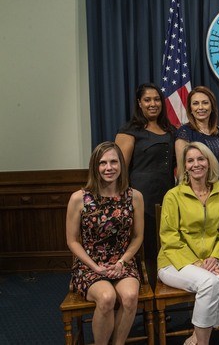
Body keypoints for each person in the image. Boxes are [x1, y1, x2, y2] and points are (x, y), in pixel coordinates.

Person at [158, 141, 219, 345]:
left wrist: (215, 257)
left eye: (200, 159)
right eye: (190, 160)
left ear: (209, 162)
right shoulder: (173, 196)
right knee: (209, 283)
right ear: (184, 166)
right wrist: (195, 262)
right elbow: (169, 236)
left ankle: (197, 336)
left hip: (211, 260)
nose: (196, 164)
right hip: (174, 261)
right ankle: (202, 343)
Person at [66, 142, 144, 345]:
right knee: (107, 297)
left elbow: (137, 237)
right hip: (89, 265)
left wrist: (122, 262)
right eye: (103, 163)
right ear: (95, 167)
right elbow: (72, 241)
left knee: (129, 296)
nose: (109, 167)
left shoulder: (134, 196)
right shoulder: (79, 198)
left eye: (113, 162)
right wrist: (95, 267)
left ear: (121, 165)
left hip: (122, 262)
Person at [115, 83, 175, 285]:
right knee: (146, 250)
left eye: (157, 99)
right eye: (147, 100)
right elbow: (117, 170)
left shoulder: (170, 130)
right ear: (139, 103)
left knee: (163, 248)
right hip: (139, 200)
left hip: (166, 199)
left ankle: (162, 300)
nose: (153, 103)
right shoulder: (131, 130)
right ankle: (148, 301)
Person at [175, 86, 219, 184]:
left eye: (205, 103)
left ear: (212, 106)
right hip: (196, 190)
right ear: (190, 109)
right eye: (195, 103)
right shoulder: (184, 133)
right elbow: (181, 172)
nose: (200, 107)